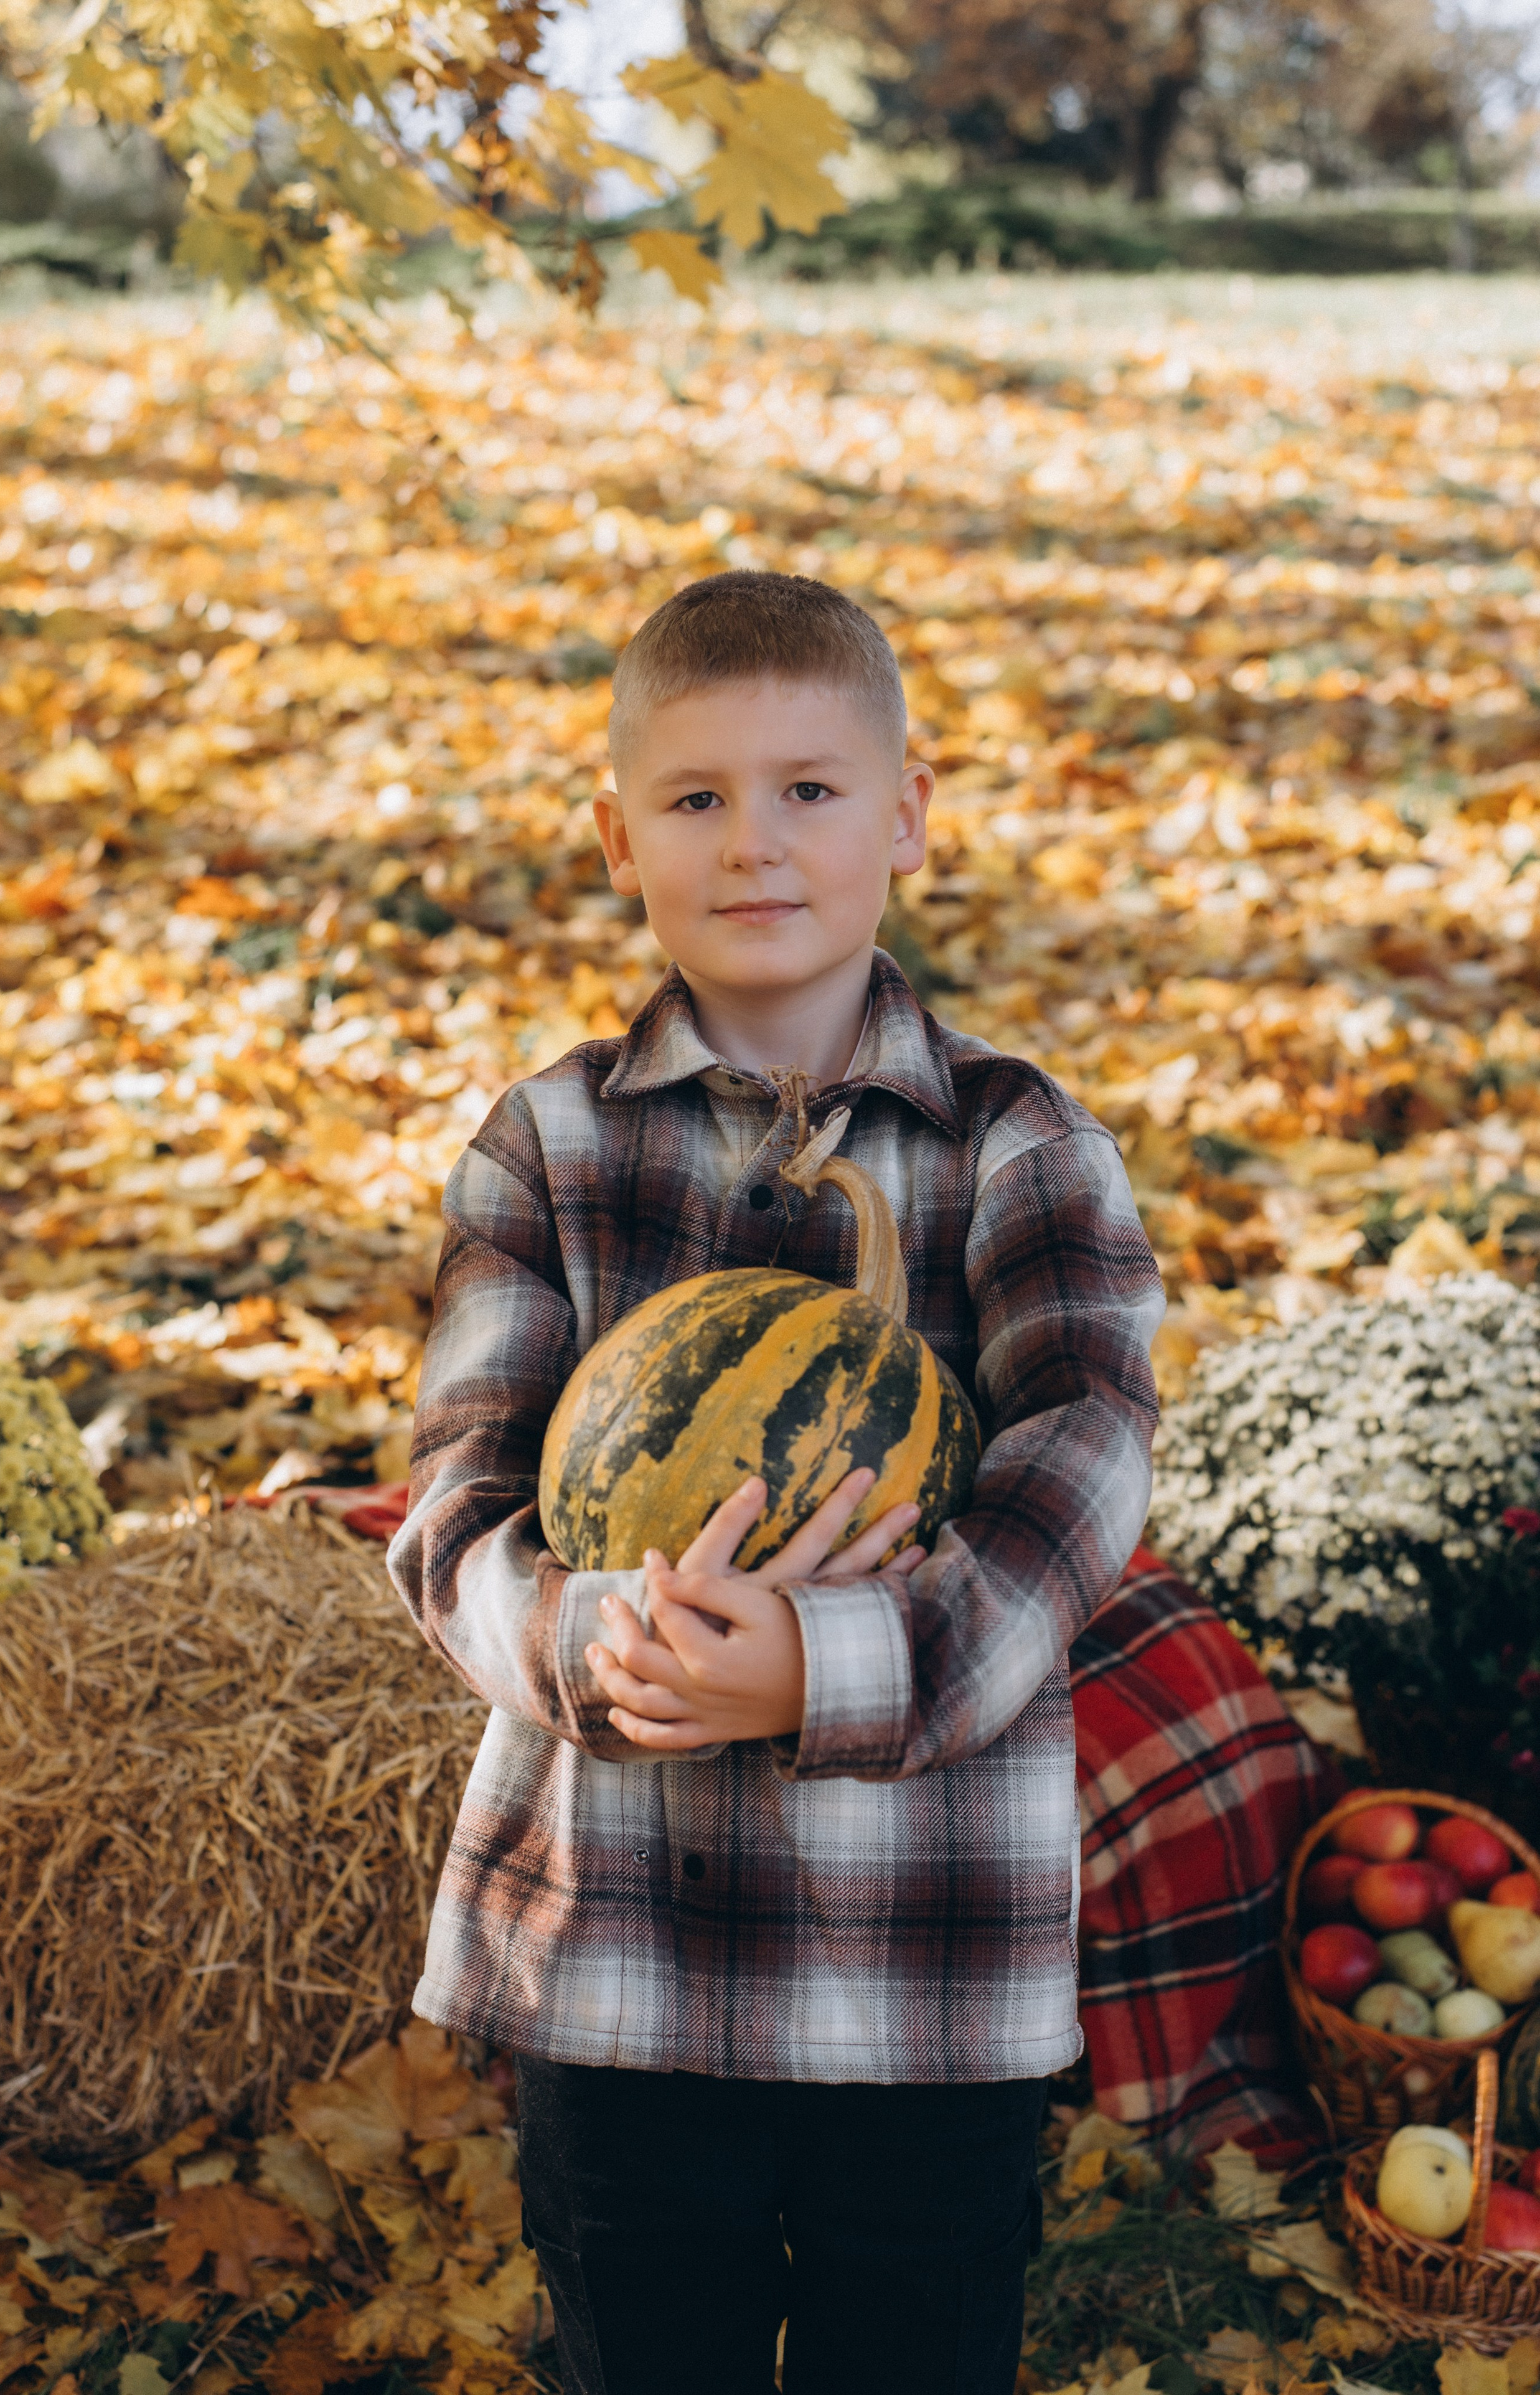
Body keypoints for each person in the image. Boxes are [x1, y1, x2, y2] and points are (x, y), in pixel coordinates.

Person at [387, 570, 1167, 2395]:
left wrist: (829, 1667)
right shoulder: (548, 1145)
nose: (758, 844)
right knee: (640, 2348)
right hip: (617, 1963)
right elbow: (454, 1505)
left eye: (812, 791)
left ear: (908, 815)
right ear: (616, 837)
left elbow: (1082, 1476)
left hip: (922, 1970)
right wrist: (600, 1647)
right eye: (698, 797)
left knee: (920, 2349)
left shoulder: (1023, 1147)